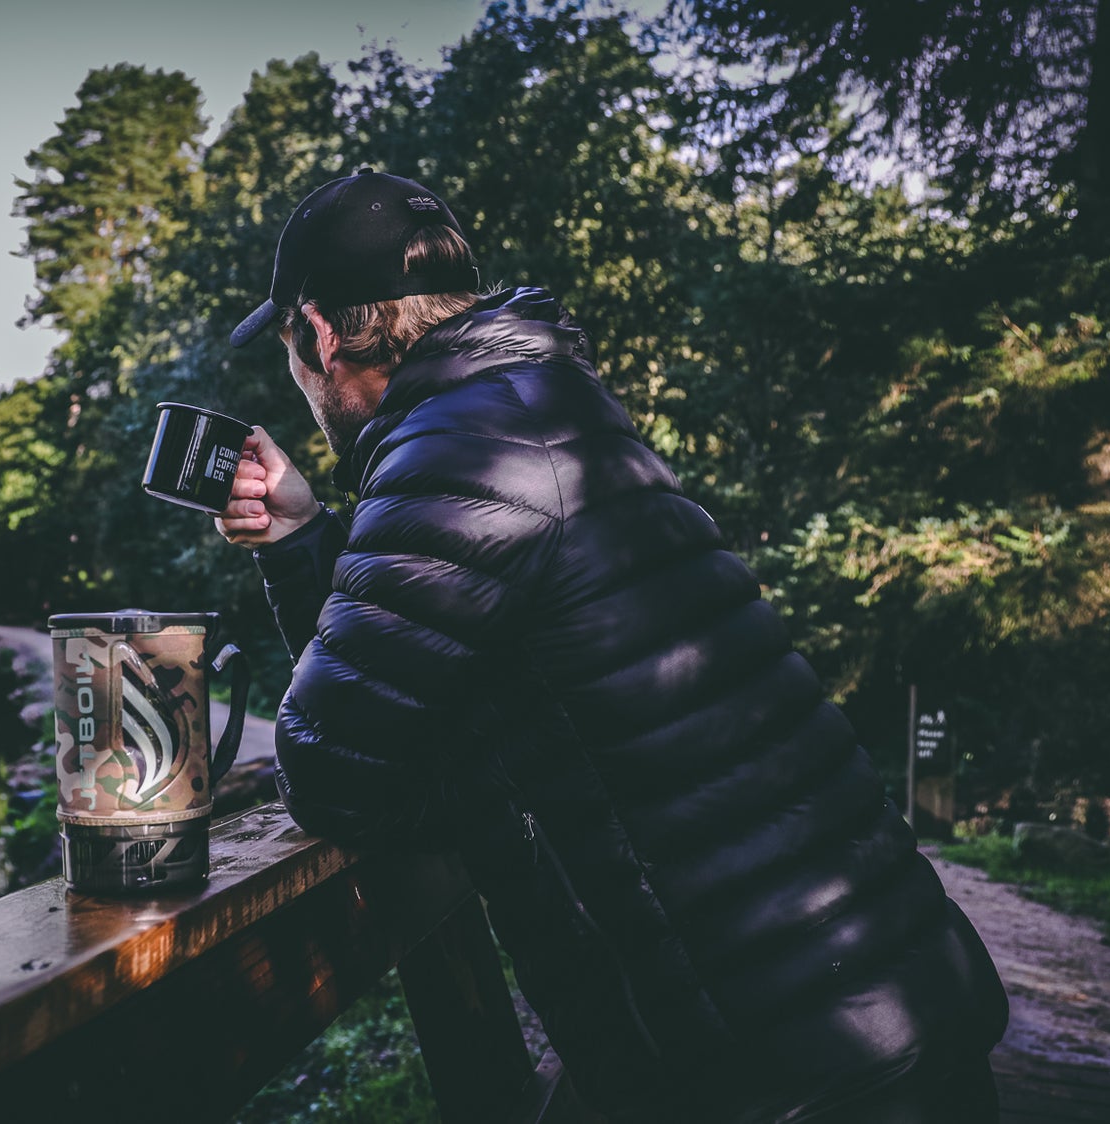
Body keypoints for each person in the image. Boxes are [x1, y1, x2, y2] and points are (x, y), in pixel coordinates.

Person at [215, 168, 1009, 1122]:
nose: (298, 380)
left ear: (322, 331)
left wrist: (303, 551)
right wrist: (305, 537)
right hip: (885, 997)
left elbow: (334, 771)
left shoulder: (455, 457)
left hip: (791, 1068)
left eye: (291, 354)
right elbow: (410, 728)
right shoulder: (549, 409)